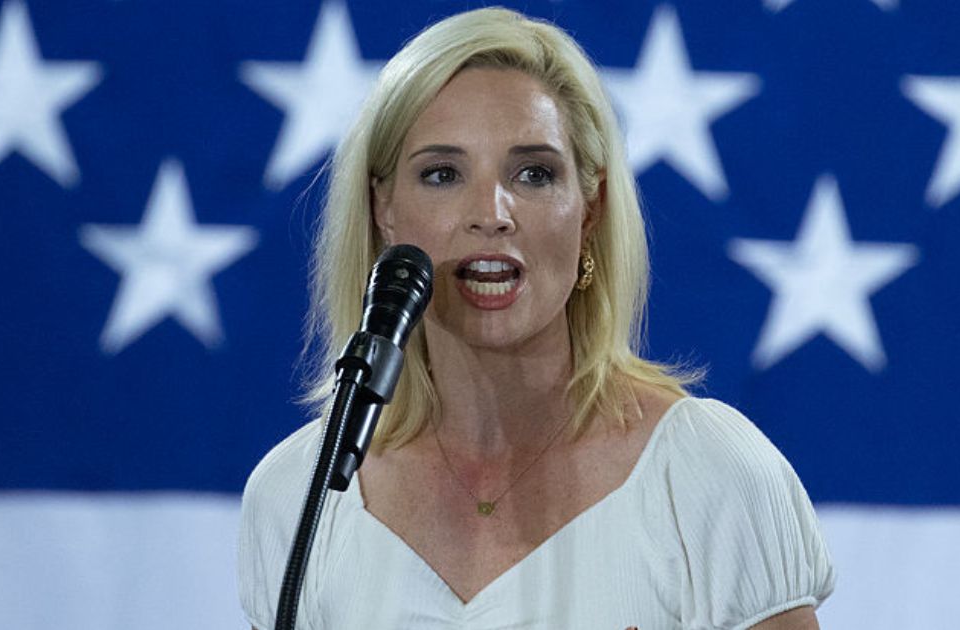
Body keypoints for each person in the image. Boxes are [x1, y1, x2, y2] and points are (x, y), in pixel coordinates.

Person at [238, 7, 834, 629]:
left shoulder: (707, 474)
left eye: (533, 174)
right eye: (442, 174)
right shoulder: (298, 496)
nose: (492, 213)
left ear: (591, 209)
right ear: (383, 208)